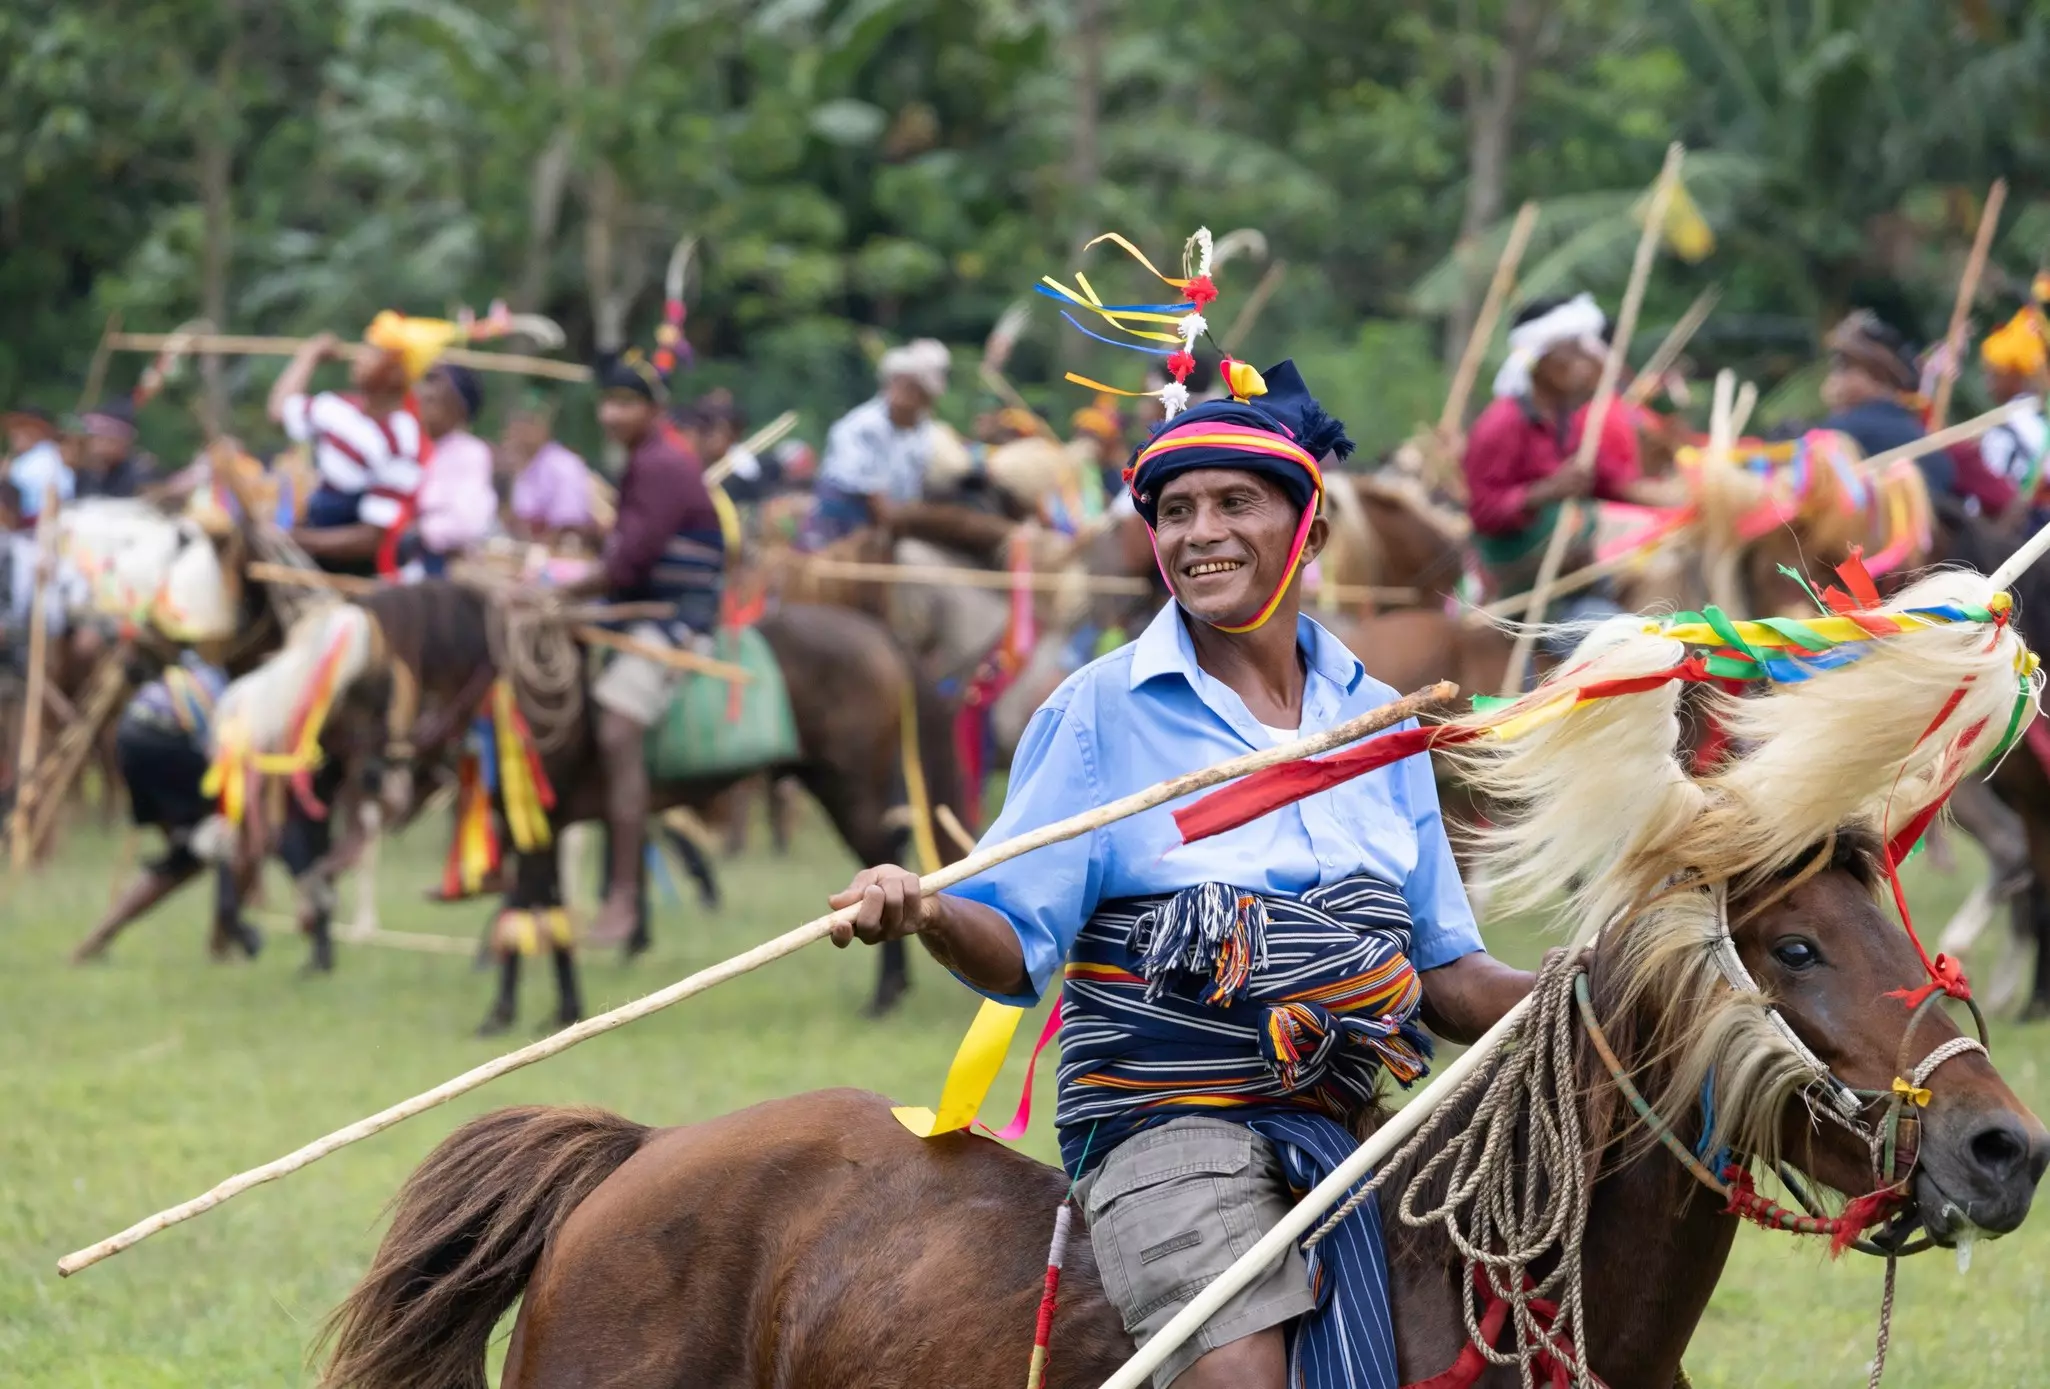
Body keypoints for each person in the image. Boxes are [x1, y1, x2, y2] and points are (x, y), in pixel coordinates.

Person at [829, 358, 1530, 1389]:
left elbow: (1445, 968)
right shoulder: (1098, 711)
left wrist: (1585, 987)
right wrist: (925, 909)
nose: (1199, 533)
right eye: (1174, 511)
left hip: (1347, 1123)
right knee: (1236, 1372)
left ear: (1309, 534)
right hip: (1167, 1122)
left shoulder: (1378, 720)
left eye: (1234, 504)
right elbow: (1013, 945)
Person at [539, 357, 727, 945]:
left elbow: (631, 561)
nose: (611, 414)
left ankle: (623, 894)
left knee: (618, 729)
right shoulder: (644, 462)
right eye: (608, 402)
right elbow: (630, 545)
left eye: (626, 403)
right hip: (643, 609)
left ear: (655, 410)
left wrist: (553, 590)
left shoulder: (663, 463)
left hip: (676, 618)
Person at [1461, 294, 1679, 604]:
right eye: (1572, 350)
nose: (1585, 361)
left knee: (1667, 544)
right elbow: (1483, 512)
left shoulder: (1567, 419)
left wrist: (1683, 503)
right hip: (1521, 569)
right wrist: (1546, 491)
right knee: (1653, 576)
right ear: (1540, 360)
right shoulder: (1502, 424)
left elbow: (1612, 481)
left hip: (1572, 551)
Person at [69, 651, 261, 964]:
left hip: (131, 733)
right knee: (219, 850)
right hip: (167, 741)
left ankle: (94, 942)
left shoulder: (199, 658)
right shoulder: (242, 686)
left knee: (187, 857)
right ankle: (221, 942)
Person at [267, 315, 436, 575]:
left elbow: (372, 537)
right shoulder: (338, 407)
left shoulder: (402, 443)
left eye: (373, 352)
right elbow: (279, 412)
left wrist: (296, 541)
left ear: (396, 373)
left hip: (347, 576)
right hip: (299, 552)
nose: (359, 356)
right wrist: (308, 357)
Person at [802, 338, 950, 547]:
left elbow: (915, 484)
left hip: (891, 518)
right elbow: (873, 495)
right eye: (904, 385)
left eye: (918, 390)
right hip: (845, 519)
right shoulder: (861, 426)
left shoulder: (922, 430)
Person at [1817, 310, 1947, 490]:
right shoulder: (1914, 428)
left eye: (1844, 367)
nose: (1834, 380)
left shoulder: (1844, 431)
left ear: (1877, 377)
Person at [406, 363, 499, 575]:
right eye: (426, 385)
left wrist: (418, 531)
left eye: (436, 397)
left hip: (431, 564)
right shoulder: (409, 441)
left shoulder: (469, 453)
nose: (426, 394)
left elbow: (467, 523)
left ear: (460, 408)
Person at [1971, 305, 2050, 517]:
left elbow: (1989, 491)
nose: (1988, 384)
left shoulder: (2008, 424)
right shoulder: (2034, 416)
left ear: (2012, 376)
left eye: (1992, 374)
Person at [498, 393, 595, 544]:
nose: (518, 431)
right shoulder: (520, 465)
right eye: (516, 424)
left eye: (528, 423)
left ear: (544, 427)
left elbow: (569, 526)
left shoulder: (564, 465)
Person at [73, 398, 149, 499]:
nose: (96, 443)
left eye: (102, 438)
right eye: (94, 437)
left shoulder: (139, 472)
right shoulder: (78, 472)